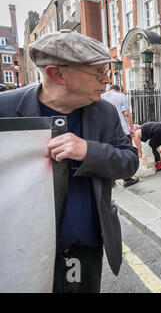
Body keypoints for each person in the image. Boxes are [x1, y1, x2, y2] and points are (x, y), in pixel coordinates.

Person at [0, 31, 139, 293]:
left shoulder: (104, 111)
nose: (108, 80)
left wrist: (89, 151)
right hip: (25, 255)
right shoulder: (4, 110)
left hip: (85, 249)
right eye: (98, 72)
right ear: (57, 74)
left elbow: (130, 161)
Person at [102, 84, 139, 187]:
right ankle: (127, 179)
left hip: (107, 131)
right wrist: (131, 128)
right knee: (126, 154)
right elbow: (126, 113)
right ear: (118, 90)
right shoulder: (121, 96)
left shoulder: (102, 96)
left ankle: (111, 180)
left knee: (111, 154)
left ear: (110, 90)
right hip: (122, 130)